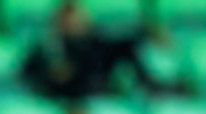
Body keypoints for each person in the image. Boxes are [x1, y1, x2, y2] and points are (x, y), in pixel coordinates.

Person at [22, 0, 161, 101]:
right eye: (67, 22)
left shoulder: (99, 43)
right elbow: (27, 75)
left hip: (99, 99)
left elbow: (125, 47)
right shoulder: (48, 48)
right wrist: (50, 76)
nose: (73, 25)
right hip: (62, 101)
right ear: (58, 23)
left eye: (76, 21)